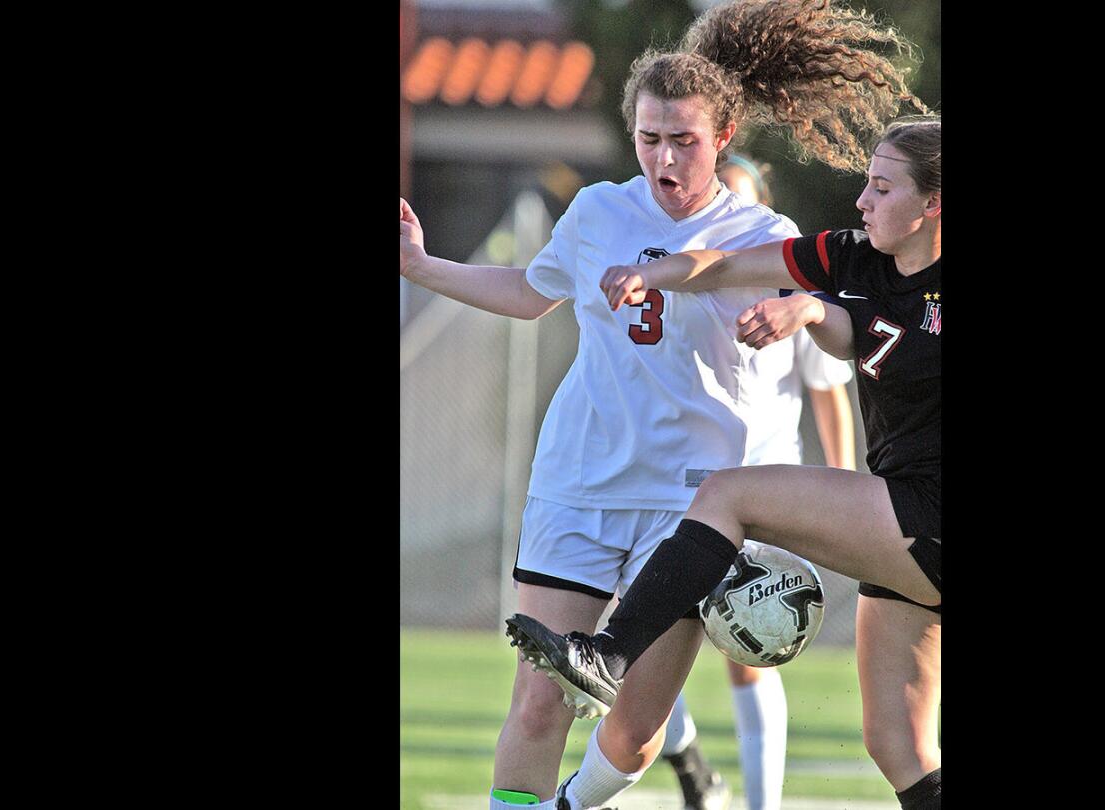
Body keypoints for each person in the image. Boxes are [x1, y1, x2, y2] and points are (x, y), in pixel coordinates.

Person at [401, 2, 914, 807]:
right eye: (649, 139)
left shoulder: (761, 231)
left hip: (691, 513)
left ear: (725, 135)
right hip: (581, 485)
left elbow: (839, 329)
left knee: (635, 731)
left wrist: (799, 313)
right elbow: (534, 293)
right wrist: (424, 267)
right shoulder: (599, 211)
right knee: (539, 701)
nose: (664, 158)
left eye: (684, 140)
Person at [507, 115, 942, 810]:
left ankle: (609, 656)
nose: (862, 200)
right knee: (899, 747)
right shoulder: (858, 256)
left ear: (933, 204)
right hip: (905, 518)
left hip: (930, 513)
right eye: (865, 181)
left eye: (881, 187)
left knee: (727, 494)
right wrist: (653, 273)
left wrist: (810, 314)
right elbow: (726, 265)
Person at [657, 154, 857, 810]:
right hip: (676, 487)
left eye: (741, 208)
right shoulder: (683, 289)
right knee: (633, 637)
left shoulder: (787, 294)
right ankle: (689, 762)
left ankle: (759, 804)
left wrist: (846, 490)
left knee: (749, 647)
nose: (729, 227)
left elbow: (827, 393)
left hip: (764, 491)